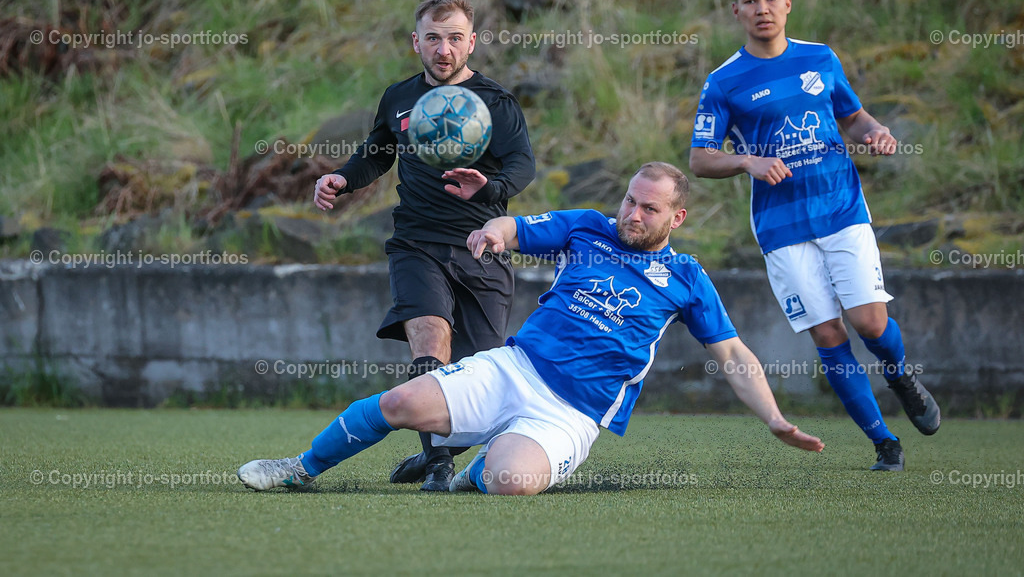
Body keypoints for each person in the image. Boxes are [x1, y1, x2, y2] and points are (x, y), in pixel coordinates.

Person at [238, 162, 824, 495]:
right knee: (399, 401)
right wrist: (494, 233)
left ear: (677, 216)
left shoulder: (687, 277)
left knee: (511, 482)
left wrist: (773, 417)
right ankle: (299, 469)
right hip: (515, 367)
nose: (632, 214)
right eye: (629, 200)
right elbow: (517, 225)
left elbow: (734, 354)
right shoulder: (588, 229)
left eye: (649, 208)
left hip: (571, 415)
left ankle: (477, 469)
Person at [688, 0, 940, 472]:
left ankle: (898, 373)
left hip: (842, 210)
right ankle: (884, 443)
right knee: (828, 335)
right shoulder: (723, 82)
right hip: (782, 228)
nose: (763, 9)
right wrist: (746, 161)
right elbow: (699, 158)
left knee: (871, 322)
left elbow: (851, 115)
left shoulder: (821, 59)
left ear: (788, 4)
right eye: (751, 1)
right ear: (735, 10)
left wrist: (875, 132)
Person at [312, 0, 536, 490]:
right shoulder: (399, 98)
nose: (444, 48)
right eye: (433, 37)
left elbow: (523, 165)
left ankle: (440, 450)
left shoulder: (495, 103)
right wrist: (342, 180)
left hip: (481, 245)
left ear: (471, 42)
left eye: (455, 37)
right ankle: (438, 465)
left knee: (478, 382)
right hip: (416, 243)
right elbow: (376, 153)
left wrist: (490, 187)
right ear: (417, 42)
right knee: (431, 339)